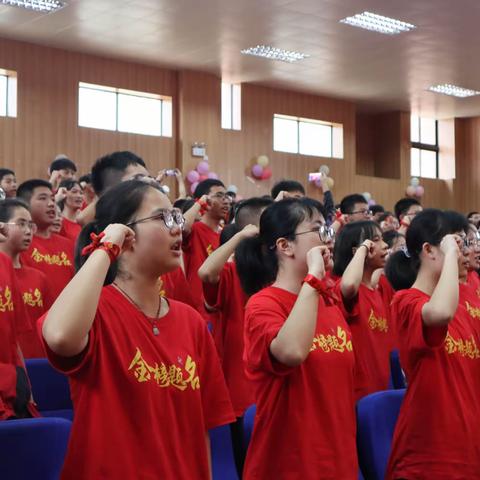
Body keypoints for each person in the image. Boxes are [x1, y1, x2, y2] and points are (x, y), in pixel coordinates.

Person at [40, 180, 234, 479]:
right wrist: (107, 246)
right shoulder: (95, 310)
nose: (177, 229)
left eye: (177, 218)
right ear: (126, 234)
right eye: (162, 218)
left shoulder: (190, 321)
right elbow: (61, 337)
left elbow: (203, 429)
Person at [235, 198, 358, 479]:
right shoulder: (262, 304)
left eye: (327, 230)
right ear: (285, 246)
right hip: (290, 464)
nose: (328, 239)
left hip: (338, 460)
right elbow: (291, 351)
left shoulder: (328, 300)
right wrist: (314, 278)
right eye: (317, 230)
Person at [385, 209, 480, 479]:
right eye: (458, 244)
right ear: (429, 250)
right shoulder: (406, 301)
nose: (465, 253)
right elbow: (439, 314)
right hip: (430, 453)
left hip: (467, 445)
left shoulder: (466, 300)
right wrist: (451, 254)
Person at [198, 196, 272, 476]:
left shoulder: (286, 274)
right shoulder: (231, 274)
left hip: (277, 390)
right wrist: (241, 236)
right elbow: (205, 272)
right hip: (242, 396)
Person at [334, 220, 393, 399]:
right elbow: (350, 284)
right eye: (375, 240)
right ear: (358, 251)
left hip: (382, 388)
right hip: (360, 394)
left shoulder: (375, 291)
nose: (385, 245)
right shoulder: (350, 290)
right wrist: (363, 249)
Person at [0, 199, 50, 358]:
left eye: (30, 225)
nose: (28, 231)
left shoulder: (39, 278)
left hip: (36, 362)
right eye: (21, 224)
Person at [0, 221, 39, 419]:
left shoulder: (4, 263)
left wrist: (28, 391)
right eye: (20, 223)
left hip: (11, 388)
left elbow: (13, 340)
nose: (27, 230)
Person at [16, 180, 75, 300]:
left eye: (53, 199)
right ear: (25, 205)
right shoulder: (18, 245)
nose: (51, 204)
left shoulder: (69, 245)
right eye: (43, 198)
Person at [182, 179, 231, 316]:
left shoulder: (226, 233)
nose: (226, 201)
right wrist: (199, 203)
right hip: (198, 308)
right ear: (206, 199)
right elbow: (181, 227)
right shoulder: (195, 230)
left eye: (227, 196)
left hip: (220, 307)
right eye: (220, 196)